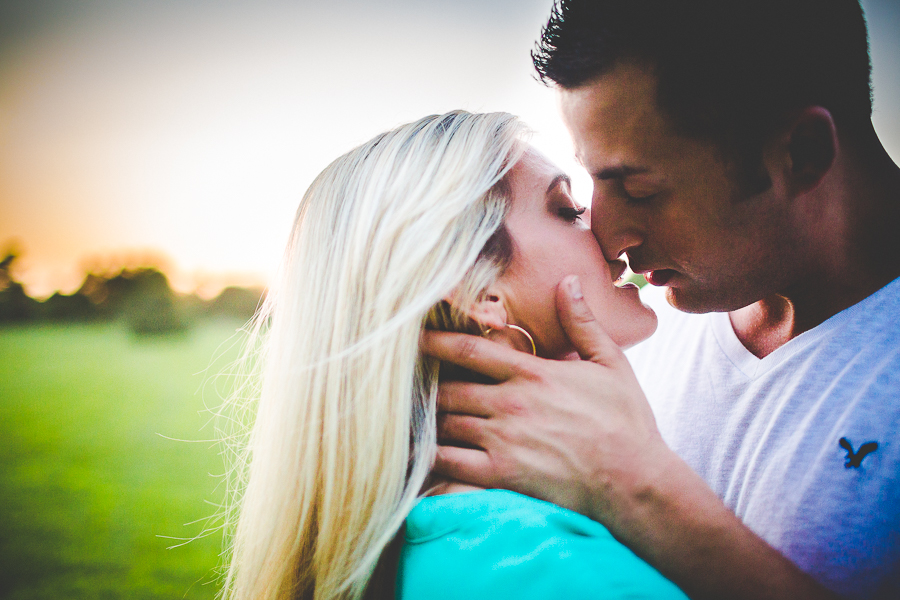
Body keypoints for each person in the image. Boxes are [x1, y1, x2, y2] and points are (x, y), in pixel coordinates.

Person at [426, 1, 900, 599]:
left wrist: (635, 485)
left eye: (638, 188)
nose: (605, 231)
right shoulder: (619, 339)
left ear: (801, 154)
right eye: (590, 181)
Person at [219, 110, 688, 600]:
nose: (606, 233)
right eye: (567, 211)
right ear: (475, 287)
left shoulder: (434, 535)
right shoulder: (555, 571)